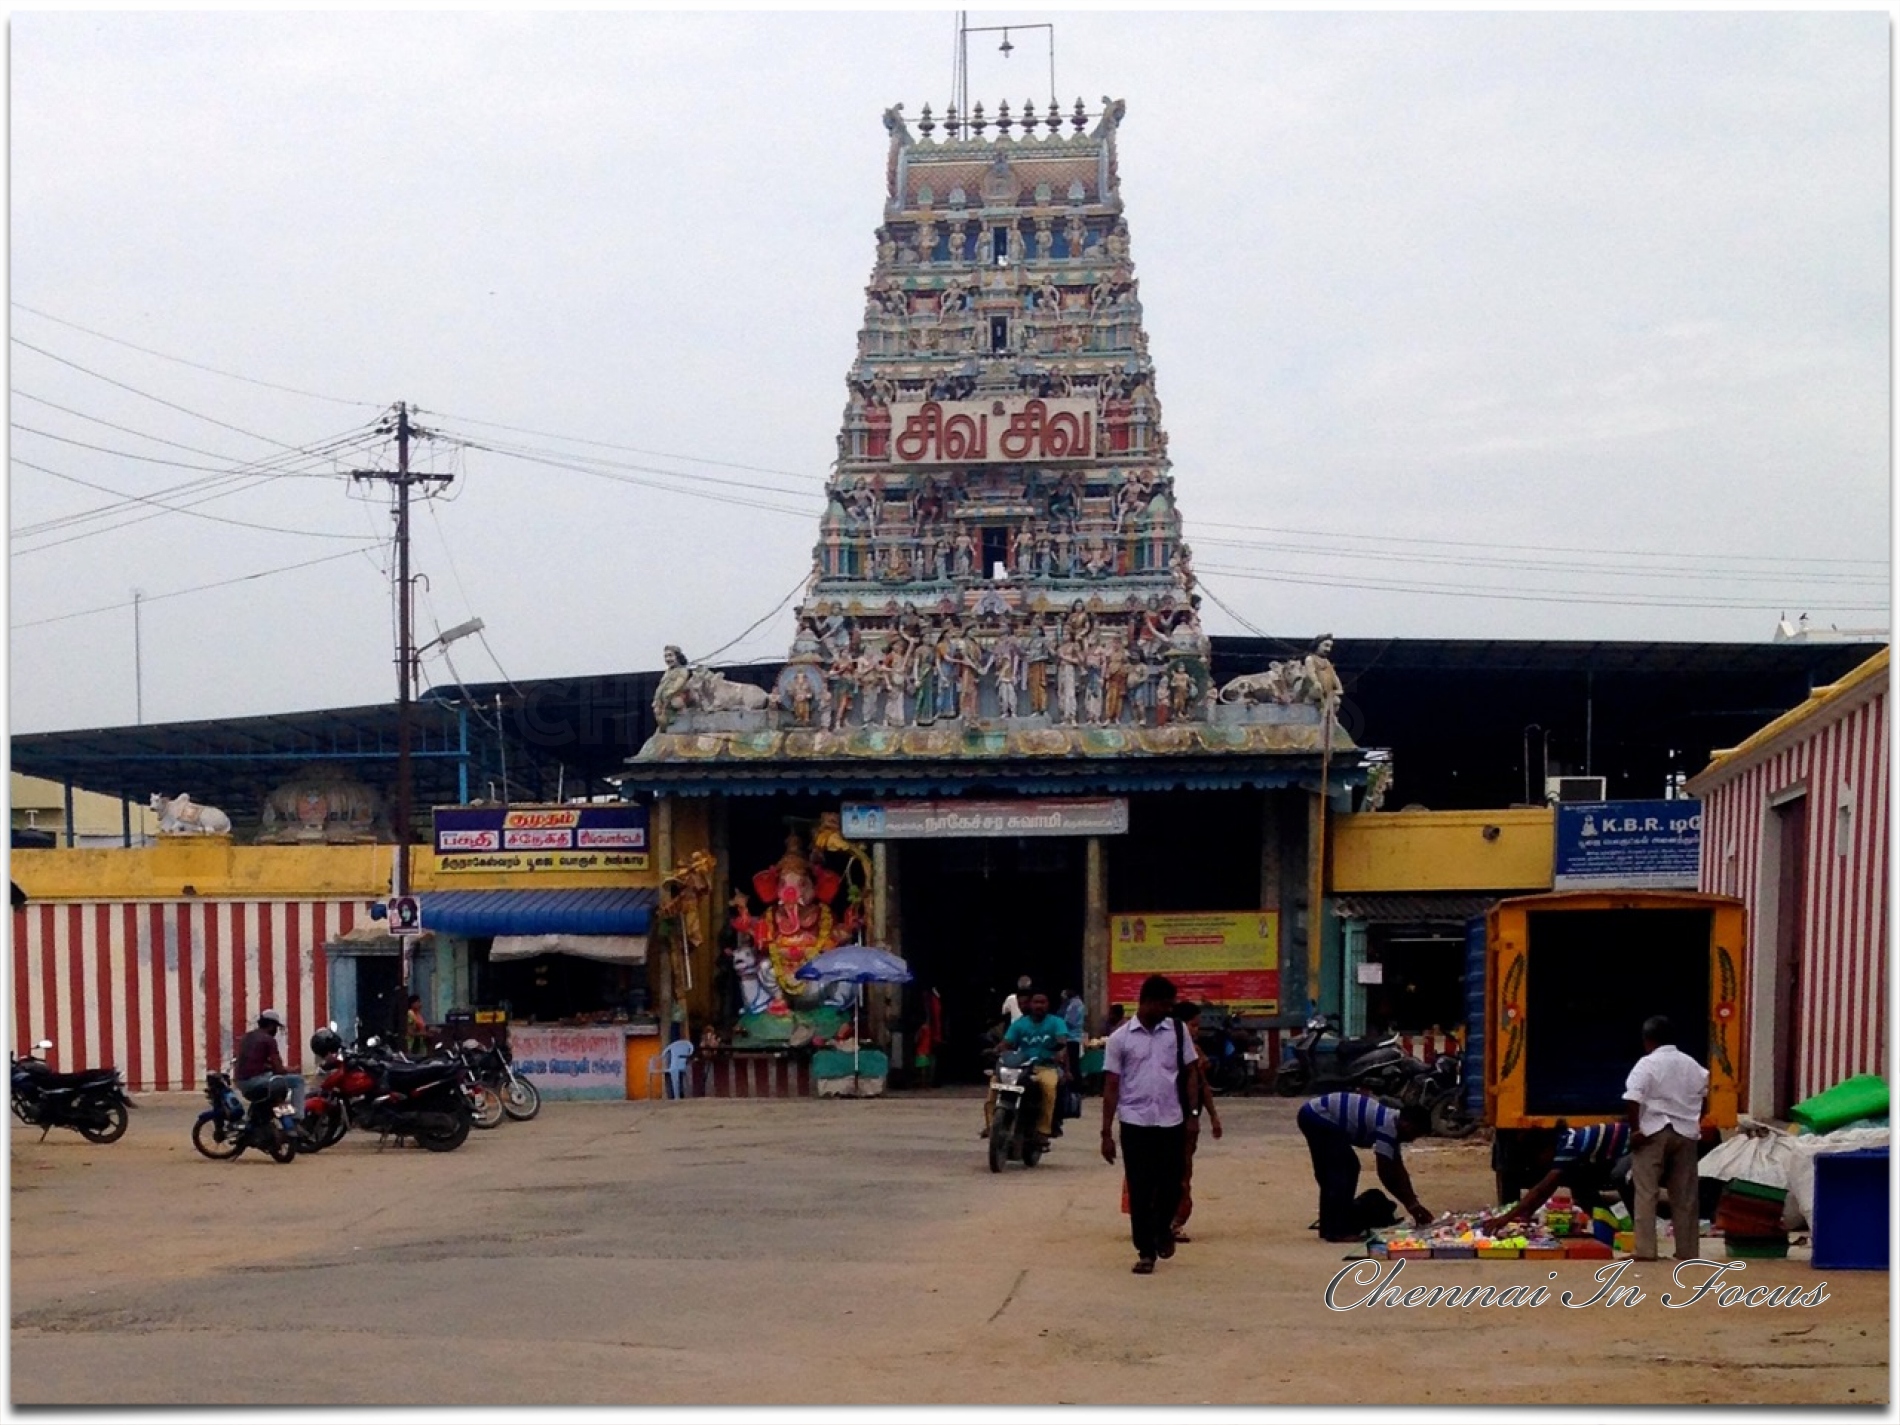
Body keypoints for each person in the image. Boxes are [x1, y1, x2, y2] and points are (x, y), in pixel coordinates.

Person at [1100, 975, 1197, 1275]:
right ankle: (1146, 1251)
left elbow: (1191, 1073)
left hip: (1171, 1120)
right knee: (1140, 1189)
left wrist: (1193, 1115)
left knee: (1172, 1185)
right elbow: (1112, 1085)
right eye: (1164, 1004)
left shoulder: (1178, 1033)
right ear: (1147, 1002)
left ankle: (1163, 1228)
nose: (1168, 1010)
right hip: (1135, 1122)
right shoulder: (1120, 1039)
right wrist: (1106, 1132)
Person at [1625, 1015, 1710, 1261]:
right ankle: (1687, 1251)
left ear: (1648, 1040)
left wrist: (1636, 1130)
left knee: (1646, 1192)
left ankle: (1645, 1250)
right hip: (1686, 1132)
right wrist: (1694, 1120)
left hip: (1654, 1131)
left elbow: (1632, 1098)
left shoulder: (1647, 1064)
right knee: (1685, 1196)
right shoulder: (1692, 1064)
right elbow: (1703, 1096)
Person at [1298, 1091, 1431, 1242]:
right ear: (1407, 1125)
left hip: (1313, 1114)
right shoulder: (1387, 1128)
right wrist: (1411, 1205)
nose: (1412, 1139)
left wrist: (1413, 1202)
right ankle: (1337, 1230)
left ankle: (1330, 1226)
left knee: (1336, 1172)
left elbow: (1398, 1168)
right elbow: (1386, 1172)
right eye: (1414, 1133)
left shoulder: (1391, 1123)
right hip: (1319, 1117)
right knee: (1345, 1169)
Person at [1484, 1120, 1632, 1231]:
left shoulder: (1566, 1147)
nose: (1541, 1163)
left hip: (1632, 1149)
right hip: (1612, 1155)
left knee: (1586, 1183)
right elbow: (1545, 1192)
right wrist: (1525, 1216)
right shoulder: (1564, 1140)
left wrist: (1505, 1218)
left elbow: (1542, 1189)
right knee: (1577, 1180)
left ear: (1545, 1149)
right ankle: (1604, 1219)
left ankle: (1623, 1221)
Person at [1169, 1001, 1224, 1243]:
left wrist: (1211, 1116)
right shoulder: (1169, 1050)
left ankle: (1174, 1221)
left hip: (1186, 1120)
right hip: (1168, 1118)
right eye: (1193, 1025)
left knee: (1182, 1171)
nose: (1196, 1030)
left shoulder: (1194, 1051)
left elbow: (1203, 1087)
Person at [983, 989, 1068, 1144]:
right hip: (1020, 1066)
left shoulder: (1056, 1022)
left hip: (1044, 1067)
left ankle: (1044, 1130)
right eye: (1036, 1002)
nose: (1039, 1006)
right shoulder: (1020, 1024)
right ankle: (990, 1126)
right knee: (995, 1084)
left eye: (1042, 1002)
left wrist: (1059, 1049)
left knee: (1049, 1088)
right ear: (1030, 1005)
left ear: (1048, 1005)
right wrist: (996, 1050)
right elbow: (1007, 1043)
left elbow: (1062, 1041)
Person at [235, 1008, 307, 1129]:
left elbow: (253, 1061)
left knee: (277, 1094)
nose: (276, 1031)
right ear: (271, 1025)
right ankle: (298, 1117)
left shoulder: (247, 1037)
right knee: (298, 1081)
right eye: (276, 1027)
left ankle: (268, 1119)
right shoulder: (269, 1040)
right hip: (255, 1082)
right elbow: (279, 1070)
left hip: (241, 1082)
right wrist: (291, 1070)